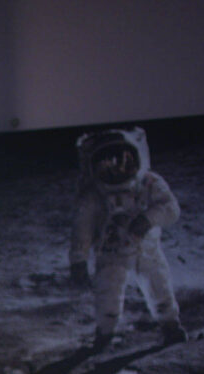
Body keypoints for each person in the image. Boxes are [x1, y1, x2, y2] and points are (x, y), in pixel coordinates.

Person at [70, 126, 188, 349]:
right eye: (106, 162)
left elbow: (171, 208)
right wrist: (78, 259)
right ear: (94, 165)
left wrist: (149, 219)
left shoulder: (148, 183)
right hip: (110, 254)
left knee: (159, 288)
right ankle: (104, 333)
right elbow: (82, 229)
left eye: (122, 159)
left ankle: (170, 325)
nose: (116, 167)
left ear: (137, 157)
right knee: (107, 296)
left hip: (146, 250)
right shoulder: (94, 194)